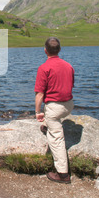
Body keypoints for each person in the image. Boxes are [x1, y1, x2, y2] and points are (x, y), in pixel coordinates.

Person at [34, 37, 75, 184]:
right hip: (69, 105)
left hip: (55, 108)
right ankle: (49, 124)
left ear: (45, 50)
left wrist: (38, 112)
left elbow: (40, 94)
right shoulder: (69, 66)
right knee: (52, 117)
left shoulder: (44, 68)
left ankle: (63, 174)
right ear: (59, 50)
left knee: (56, 138)